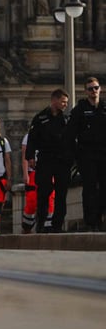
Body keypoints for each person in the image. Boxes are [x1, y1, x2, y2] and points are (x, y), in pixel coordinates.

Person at [25, 88, 70, 233]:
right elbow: (32, 139)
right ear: (54, 100)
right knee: (44, 192)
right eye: (63, 102)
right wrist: (30, 157)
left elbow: (70, 140)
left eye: (66, 102)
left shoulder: (66, 119)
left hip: (61, 160)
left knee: (61, 193)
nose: (65, 105)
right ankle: (42, 222)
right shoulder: (40, 118)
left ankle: (57, 224)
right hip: (45, 159)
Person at [65, 77, 106, 231]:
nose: (93, 91)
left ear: (100, 89)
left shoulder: (104, 107)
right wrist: (76, 155)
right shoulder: (80, 110)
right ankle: (91, 221)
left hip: (104, 154)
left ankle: (100, 217)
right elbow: (70, 135)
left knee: (104, 188)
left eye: (95, 88)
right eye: (90, 89)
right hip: (87, 155)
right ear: (85, 91)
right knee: (89, 188)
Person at [21, 133, 53, 234]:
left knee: (50, 198)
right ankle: (27, 226)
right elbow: (24, 157)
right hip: (33, 172)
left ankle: (48, 225)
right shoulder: (28, 137)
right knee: (32, 199)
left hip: (48, 170)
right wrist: (25, 174)